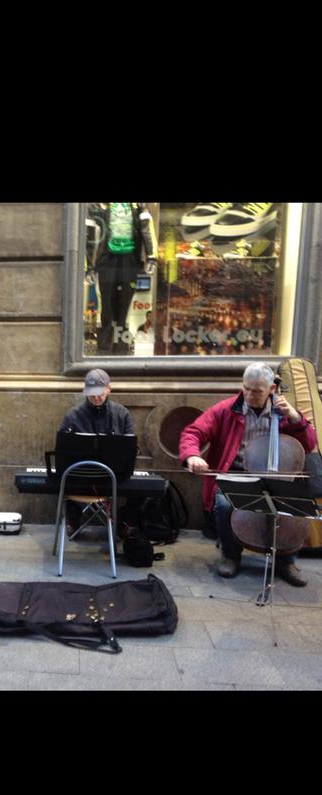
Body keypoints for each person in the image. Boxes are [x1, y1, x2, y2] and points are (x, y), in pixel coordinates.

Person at [178, 361, 317, 586]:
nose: (250, 395)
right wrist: (192, 455)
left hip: (276, 476)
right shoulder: (226, 409)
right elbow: (193, 432)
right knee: (224, 504)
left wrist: (295, 418)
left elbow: (309, 444)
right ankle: (230, 555)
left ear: (271, 389)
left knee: (292, 505)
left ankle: (286, 561)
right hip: (236, 474)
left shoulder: (282, 413)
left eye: (258, 391)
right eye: (246, 388)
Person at [58, 368, 135, 534]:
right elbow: (62, 452)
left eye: (100, 393)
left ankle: (123, 522)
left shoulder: (121, 414)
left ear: (109, 388)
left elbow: (130, 449)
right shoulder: (72, 415)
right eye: (92, 394)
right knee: (65, 480)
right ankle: (73, 516)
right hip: (80, 477)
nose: (96, 397)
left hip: (112, 477)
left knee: (139, 490)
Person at [92, 203, 158, 355]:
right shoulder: (101, 205)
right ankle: (104, 350)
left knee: (124, 306)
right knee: (106, 306)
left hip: (130, 260)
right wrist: (89, 265)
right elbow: (90, 232)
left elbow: (146, 226)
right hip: (107, 259)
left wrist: (151, 257)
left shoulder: (137, 206)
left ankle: (121, 349)